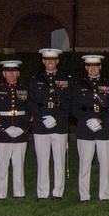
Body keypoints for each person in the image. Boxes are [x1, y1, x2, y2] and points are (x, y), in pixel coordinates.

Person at [27, 48, 73, 200]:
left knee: (59, 160)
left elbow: (68, 102)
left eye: (53, 60)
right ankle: (42, 192)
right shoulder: (36, 79)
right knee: (42, 160)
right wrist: (43, 117)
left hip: (59, 125)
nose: (50, 63)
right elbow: (32, 103)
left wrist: (57, 118)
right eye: (47, 60)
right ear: (43, 61)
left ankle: (57, 192)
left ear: (57, 61)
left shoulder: (66, 79)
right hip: (41, 125)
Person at [71, 54, 109, 202]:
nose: (93, 69)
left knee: (104, 164)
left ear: (100, 67)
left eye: (95, 66)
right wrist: (86, 120)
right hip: (85, 129)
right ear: (86, 68)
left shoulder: (108, 85)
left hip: (104, 129)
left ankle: (104, 195)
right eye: (90, 66)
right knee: (85, 163)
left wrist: (100, 119)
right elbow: (74, 107)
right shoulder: (79, 86)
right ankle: (84, 195)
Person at [0, 60, 31, 199]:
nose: (11, 74)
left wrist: (24, 129)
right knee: (2, 165)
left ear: (18, 73)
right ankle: (1, 194)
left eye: (14, 71)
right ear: (3, 73)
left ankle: (19, 193)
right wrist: (3, 128)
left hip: (20, 131)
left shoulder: (25, 89)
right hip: (3, 133)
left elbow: (31, 111)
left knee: (19, 164)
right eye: (8, 71)